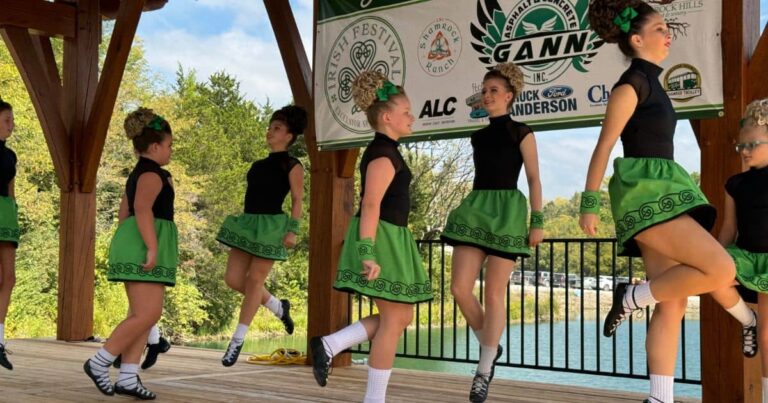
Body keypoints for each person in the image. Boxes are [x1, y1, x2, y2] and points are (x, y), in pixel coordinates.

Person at [581, 3, 751, 402]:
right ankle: (633, 297)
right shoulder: (630, 86)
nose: (667, 33)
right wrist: (589, 202)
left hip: (664, 192)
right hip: (646, 195)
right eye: (659, 28)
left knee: (671, 302)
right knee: (721, 268)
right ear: (637, 39)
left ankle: (659, 398)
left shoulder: (653, 84)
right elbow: (604, 144)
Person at [310, 71, 432, 403]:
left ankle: (330, 344)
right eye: (406, 112)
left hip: (392, 237)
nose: (412, 117)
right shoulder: (382, 153)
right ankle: (373, 399)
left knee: (401, 316)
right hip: (382, 238)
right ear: (387, 117)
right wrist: (367, 250)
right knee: (394, 319)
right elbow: (371, 203)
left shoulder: (388, 150)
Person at [440, 63, 543, 402]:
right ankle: (490, 345)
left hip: (508, 213)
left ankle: (483, 370)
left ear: (509, 96)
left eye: (493, 91)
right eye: (484, 91)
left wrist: (537, 221)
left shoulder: (522, 132)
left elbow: (533, 178)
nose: (487, 95)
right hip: (476, 210)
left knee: (495, 292)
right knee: (459, 288)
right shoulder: (478, 136)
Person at [84, 108, 178, 400]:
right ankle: (100, 361)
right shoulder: (151, 175)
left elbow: (123, 211)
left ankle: (127, 376)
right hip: (144, 245)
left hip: (138, 243)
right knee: (147, 313)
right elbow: (141, 209)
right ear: (155, 147)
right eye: (169, 145)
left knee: (144, 315)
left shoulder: (141, 173)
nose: (171, 150)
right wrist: (150, 246)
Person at [217, 105, 305, 366]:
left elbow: (298, 200)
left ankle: (237, 340)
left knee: (255, 281)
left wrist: (293, 230)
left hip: (272, 227)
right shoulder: (257, 166)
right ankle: (278, 307)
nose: (270, 131)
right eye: (270, 127)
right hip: (248, 224)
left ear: (289, 136)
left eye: (276, 128)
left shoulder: (293, 165)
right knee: (233, 279)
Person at [0, 98, 19, 370]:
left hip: (6, 214)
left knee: (8, 277)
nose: (11, 125)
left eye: (12, 120)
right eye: (6, 120)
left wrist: (13, 214)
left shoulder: (10, 155)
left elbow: (11, 189)